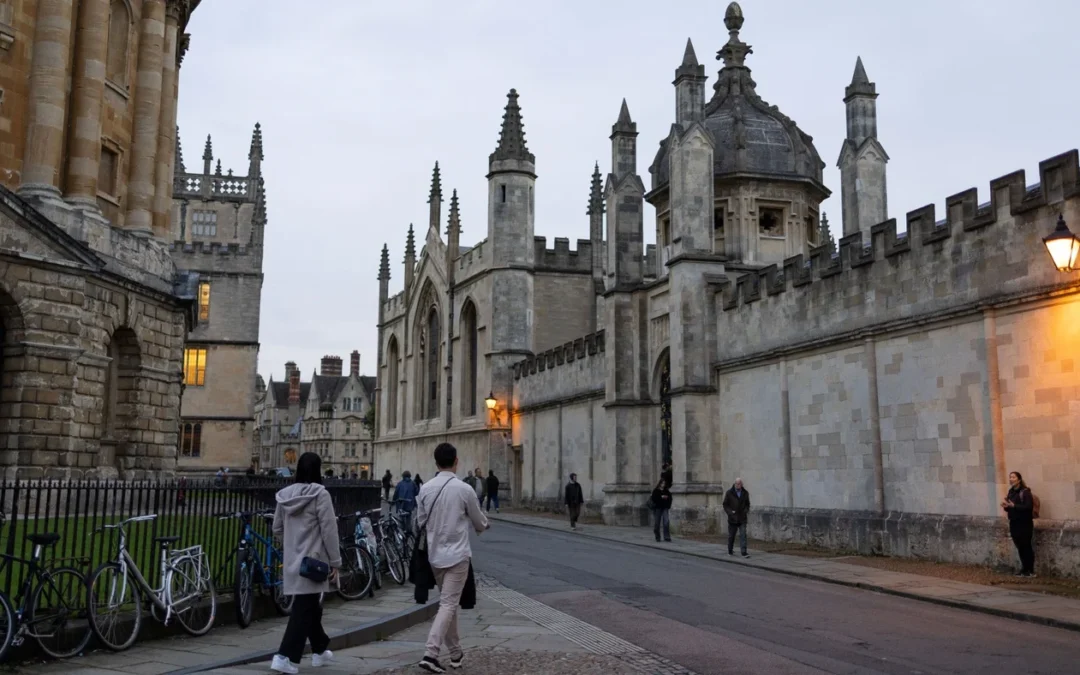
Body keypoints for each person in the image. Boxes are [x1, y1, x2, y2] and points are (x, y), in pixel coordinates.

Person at [416, 443, 489, 673]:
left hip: (434, 555)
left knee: (449, 604)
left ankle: (456, 652)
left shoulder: (426, 488)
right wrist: (485, 525)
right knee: (448, 604)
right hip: (458, 555)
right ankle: (431, 652)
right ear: (456, 461)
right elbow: (478, 520)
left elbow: (419, 522)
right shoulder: (463, 489)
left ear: (436, 463)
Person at [270, 452, 341, 674]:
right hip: (314, 562)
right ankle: (285, 656)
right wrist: (335, 561)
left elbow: (277, 529)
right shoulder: (321, 495)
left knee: (310, 606)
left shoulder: (285, 496)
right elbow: (329, 531)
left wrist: (291, 546)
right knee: (304, 608)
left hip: (294, 561)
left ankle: (319, 650)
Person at [1002, 471, 1036, 577]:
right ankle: (1024, 568)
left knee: (1026, 546)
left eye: (1013, 477)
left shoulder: (1025, 492)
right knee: (1020, 546)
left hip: (1024, 523)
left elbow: (1028, 507)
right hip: (1014, 522)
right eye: (1010, 477)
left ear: (1019, 480)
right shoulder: (1011, 492)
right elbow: (1010, 508)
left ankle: (1030, 570)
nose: (1011, 479)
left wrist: (1014, 506)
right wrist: (1006, 506)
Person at [723, 478, 751, 558]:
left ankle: (744, 552)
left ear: (742, 484)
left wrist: (745, 511)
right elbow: (725, 505)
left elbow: (747, 504)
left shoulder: (745, 493)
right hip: (733, 518)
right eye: (737, 484)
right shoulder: (729, 493)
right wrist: (730, 512)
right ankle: (730, 550)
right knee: (731, 535)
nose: (738, 485)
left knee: (743, 535)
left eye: (739, 484)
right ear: (734, 484)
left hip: (742, 518)